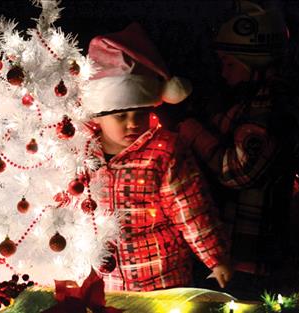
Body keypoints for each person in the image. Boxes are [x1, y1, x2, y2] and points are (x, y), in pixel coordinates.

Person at [83, 23, 233, 292]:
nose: (132, 124)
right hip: (102, 288)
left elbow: (192, 209)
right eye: (121, 116)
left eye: (139, 114)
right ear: (98, 116)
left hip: (160, 283)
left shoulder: (164, 152)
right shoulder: (79, 154)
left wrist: (216, 258)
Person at [178, 1, 299, 292]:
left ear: (253, 62)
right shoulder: (246, 101)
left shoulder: (270, 106)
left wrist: (192, 131)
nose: (223, 71)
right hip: (237, 251)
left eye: (229, 63)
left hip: (252, 252)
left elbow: (239, 171)